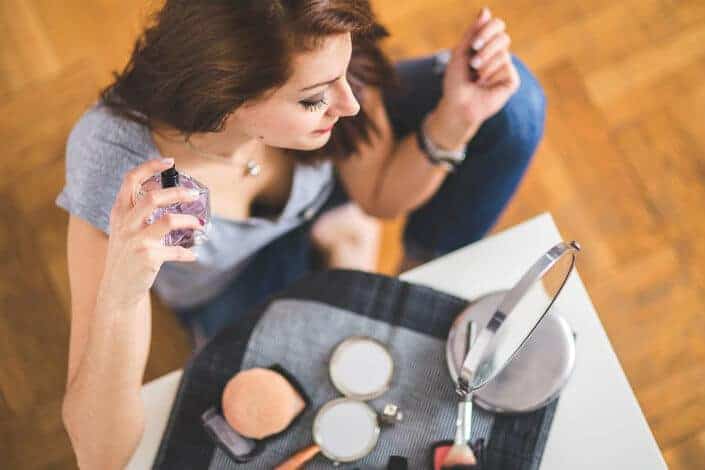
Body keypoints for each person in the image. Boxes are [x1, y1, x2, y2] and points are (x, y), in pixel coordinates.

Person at [57, 1, 545, 467]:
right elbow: (99, 455)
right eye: (315, 99)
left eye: (344, 76)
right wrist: (120, 293)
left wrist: (455, 121)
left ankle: (401, 271)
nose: (350, 105)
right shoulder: (136, 174)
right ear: (226, 98)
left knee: (513, 104)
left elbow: (379, 197)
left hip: (324, 200)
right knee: (273, 404)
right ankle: (346, 247)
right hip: (232, 281)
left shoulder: (319, 45)